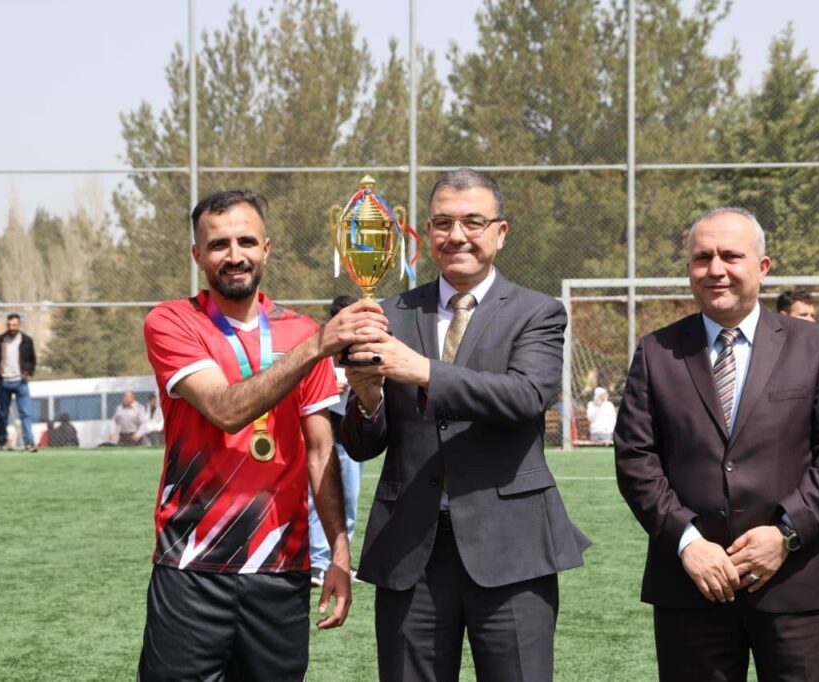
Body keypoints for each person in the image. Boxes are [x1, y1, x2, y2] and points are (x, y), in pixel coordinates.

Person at [341, 168, 591, 682]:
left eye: (473, 222)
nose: (457, 236)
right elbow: (363, 445)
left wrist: (423, 371)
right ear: (426, 233)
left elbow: (525, 396)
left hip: (512, 549)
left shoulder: (538, 312)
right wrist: (367, 397)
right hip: (409, 550)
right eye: (443, 223)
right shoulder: (388, 314)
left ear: (501, 232)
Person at [137, 188, 386, 680]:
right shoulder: (172, 321)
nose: (234, 256)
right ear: (197, 255)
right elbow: (225, 409)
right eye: (219, 244)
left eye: (246, 241)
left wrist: (339, 552)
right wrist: (317, 346)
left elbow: (321, 453)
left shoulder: (301, 332)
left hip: (280, 572)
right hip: (191, 568)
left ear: (266, 249)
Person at [614, 207, 819, 681]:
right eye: (702, 258)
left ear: (763, 267)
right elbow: (635, 459)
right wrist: (688, 542)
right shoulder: (656, 352)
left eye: (731, 256)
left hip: (795, 585)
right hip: (691, 586)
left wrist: (785, 534)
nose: (715, 269)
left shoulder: (817, 347)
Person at [307, 294, 362, 587]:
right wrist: (329, 385)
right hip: (324, 434)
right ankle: (317, 562)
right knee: (320, 498)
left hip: (352, 437)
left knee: (349, 499)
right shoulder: (320, 346)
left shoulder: (365, 346)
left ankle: (342, 560)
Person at [0, 313, 38, 452]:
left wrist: (27, 373)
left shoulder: (26, 340)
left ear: (19, 325)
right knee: (3, 413)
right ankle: (1, 442)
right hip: (4, 383)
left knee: (26, 413)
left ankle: (29, 443)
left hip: (21, 382)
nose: (12, 327)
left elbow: (32, 360)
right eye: (9, 325)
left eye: (14, 325)